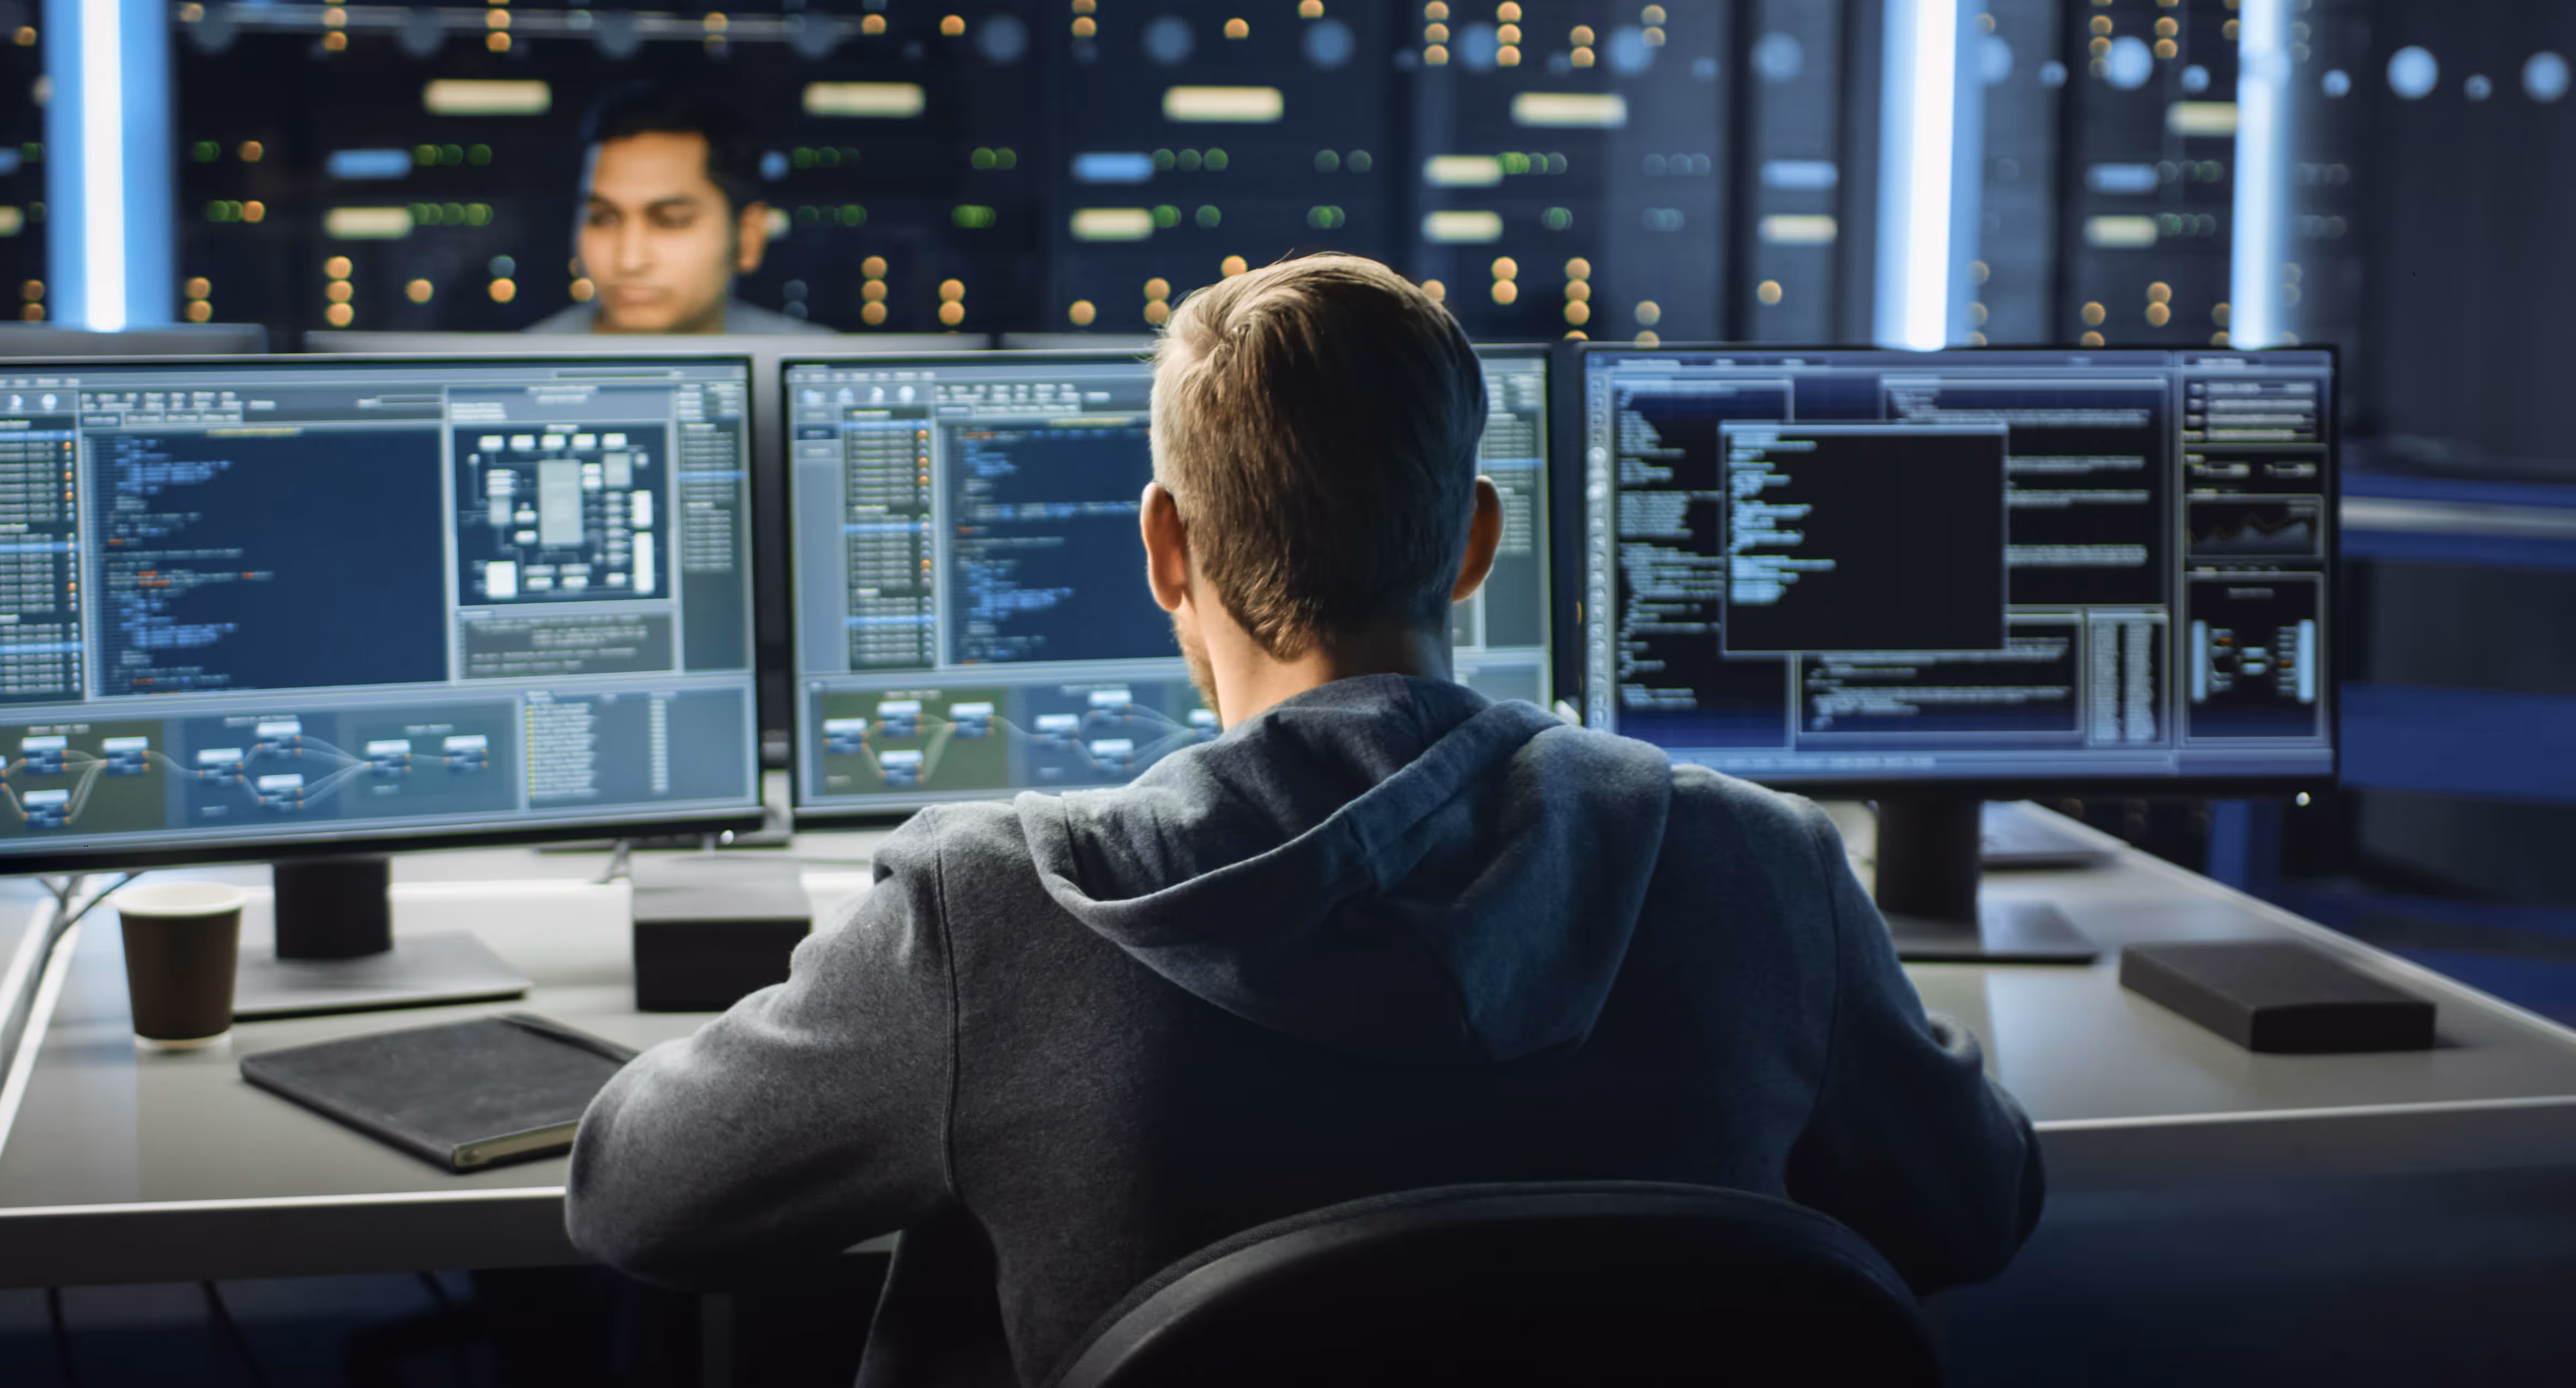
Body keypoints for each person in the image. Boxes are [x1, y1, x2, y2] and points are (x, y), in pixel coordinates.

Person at [566, 254, 2043, 1386]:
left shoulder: (993, 912)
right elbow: (1977, 1209)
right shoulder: (1761, 866)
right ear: (1475, 544)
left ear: (1164, 549)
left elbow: (636, 1203)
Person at [526, 81, 831, 335]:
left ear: (749, 237)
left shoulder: (816, 365)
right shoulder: (520, 368)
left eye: (672, 221)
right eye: (603, 219)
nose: (630, 261)